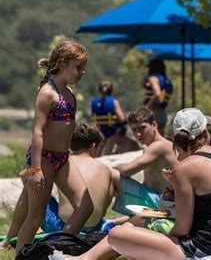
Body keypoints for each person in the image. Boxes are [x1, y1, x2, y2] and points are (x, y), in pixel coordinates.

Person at [55, 108, 211, 259]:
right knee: (135, 228)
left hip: (200, 251)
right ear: (205, 132)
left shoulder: (186, 167)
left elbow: (182, 228)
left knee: (117, 234)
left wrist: (157, 234)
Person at [15, 39, 94, 254]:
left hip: (63, 158)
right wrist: (35, 168)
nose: (82, 72)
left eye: (83, 68)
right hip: (45, 159)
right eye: (78, 67)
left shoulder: (68, 93)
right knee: (35, 216)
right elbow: (37, 131)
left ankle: (60, 248)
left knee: (86, 206)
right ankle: (21, 255)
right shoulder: (48, 93)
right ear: (62, 63)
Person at [0, 123, 128, 250]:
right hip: (93, 228)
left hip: (61, 227)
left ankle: (8, 239)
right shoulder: (106, 170)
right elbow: (103, 209)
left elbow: (25, 176)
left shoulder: (63, 162)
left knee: (30, 185)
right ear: (94, 146)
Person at [111, 107, 178, 215]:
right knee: (118, 224)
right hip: (159, 200)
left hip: (165, 203)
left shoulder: (159, 146)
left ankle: (95, 221)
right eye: (134, 130)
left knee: (112, 175)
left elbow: (127, 170)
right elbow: (146, 184)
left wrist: (117, 167)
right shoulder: (151, 148)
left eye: (142, 128)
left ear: (154, 125)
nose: (138, 134)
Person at [90, 80, 125, 155]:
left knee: (97, 153)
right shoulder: (114, 102)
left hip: (98, 131)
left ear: (99, 90)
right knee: (107, 153)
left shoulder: (93, 101)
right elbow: (122, 118)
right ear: (111, 90)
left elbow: (92, 117)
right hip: (111, 131)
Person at [142, 58, 173, 135]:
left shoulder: (153, 78)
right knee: (161, 140)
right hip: (162, 113)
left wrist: (147, 108)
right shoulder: (166, 80)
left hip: (153, 114)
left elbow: (157, 93)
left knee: (151, 141)